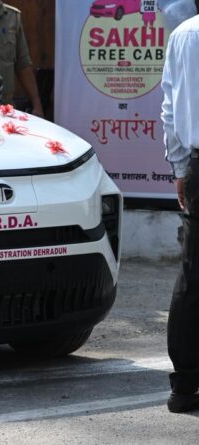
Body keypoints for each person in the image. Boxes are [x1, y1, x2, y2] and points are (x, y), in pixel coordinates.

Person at [161, 0, 199, 414]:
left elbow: (170, 108)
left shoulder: (183, 35)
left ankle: (185, 383)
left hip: (197, 163)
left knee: (193, 274)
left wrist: (180, 166)